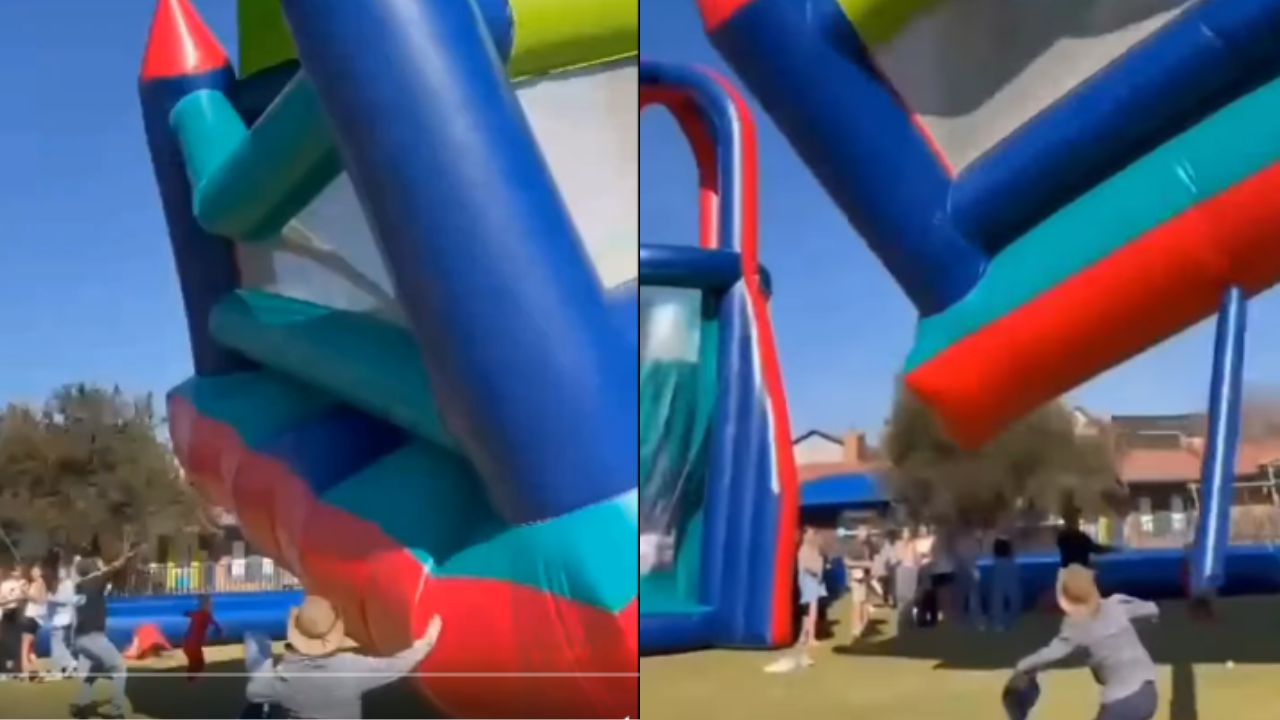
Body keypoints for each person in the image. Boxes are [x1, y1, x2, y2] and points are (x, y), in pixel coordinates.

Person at [244, 595, 444, 719]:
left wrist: (259, 652)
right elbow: (396, 666)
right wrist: (426, 642)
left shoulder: (286, 676)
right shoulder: (350, 667)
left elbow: (254, 691)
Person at [1013, 564, 1160, 720]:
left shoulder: (1077, 626)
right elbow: (1151, 609)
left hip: (1121, 700)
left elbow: (1051, 654)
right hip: (1149, 693)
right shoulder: (1117, 603)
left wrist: (1022, 666)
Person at [70, 548, 138, 720]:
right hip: (93, 637)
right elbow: (114, 567)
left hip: (80, 638)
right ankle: (117, 712)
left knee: (97, 668)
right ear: (93, 569)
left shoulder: (80, 586)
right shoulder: (94, 580)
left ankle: (81, 704)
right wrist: (126, 556)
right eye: (99, 564)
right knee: (119, 669)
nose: (102, 566)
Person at [766, 527, 825, 673]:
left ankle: (804, 636)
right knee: (811, 610)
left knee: (808, 611)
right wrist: (816, 571)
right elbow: (805, 567)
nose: (813, 536)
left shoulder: (812, 548)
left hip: (812, 582)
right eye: (811, 533)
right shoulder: (805, 549)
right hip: (810, 582)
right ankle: (809, 636)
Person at [47, 559, 82, 678]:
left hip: (62, 618)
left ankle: (69, 663)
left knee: (57, 644)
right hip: (63, 618)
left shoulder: (64, 584)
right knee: (62, 643)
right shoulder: (63, 584)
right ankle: (66, 668)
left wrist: (49, 599)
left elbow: (65, 600)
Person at [843, 528, 874, 644]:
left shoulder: (866, 546)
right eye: (863, 532)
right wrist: (863, 564)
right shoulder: (854, 545)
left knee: (864, 604)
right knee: (857, 604)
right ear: (858, 533)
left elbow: (869, 561)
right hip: (857, 578)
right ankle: (856, 631)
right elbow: (846, 561)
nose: (865, 535)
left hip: (865, 578)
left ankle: (862, 628)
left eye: (866, 533)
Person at [183, 595, 222, 681]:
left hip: (187, 645)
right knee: (200, 664)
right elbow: (216, 626)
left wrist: (185, 613)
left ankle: (190, 676)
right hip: (194, 647)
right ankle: (191, 678)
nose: (212, 607)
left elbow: (187, 613)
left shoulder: (197, 614)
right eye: (211, 605)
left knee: (194, 662)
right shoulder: (207, 616)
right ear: (207, 607)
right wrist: (220, 632)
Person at [21, 563, 48, 681]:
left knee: (24, 648)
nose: (33, 573)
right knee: (30, 648)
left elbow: (39, 600)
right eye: (32, 571)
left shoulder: (39, 582)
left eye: (35, 571)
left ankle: (26, 673)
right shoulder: (37, 583)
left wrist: (25, 592)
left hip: (32, 618)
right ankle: (37, 672)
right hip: (34, 618)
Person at [989, 533, 1022, 632]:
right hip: (1009, 568)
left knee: (997, 598)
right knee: (1013, 597)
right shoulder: (1011, 561)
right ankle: (1009, 621)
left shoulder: (998, 560)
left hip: (1001, 568)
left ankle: (999, 622)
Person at [0, 564, 25, 680]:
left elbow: (21, 599)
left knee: (13, 643)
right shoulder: (9, 584)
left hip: (13, 613)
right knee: (7, 643)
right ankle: (7, 669)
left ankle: (15, 669)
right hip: (8, 614)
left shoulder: (14, 583)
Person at [893, 527, 921, 630]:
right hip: (902, 571)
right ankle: (902, 621)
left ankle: (912, 621)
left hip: (912, 572)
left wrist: (917, 565)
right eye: (904, 532)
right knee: (902, 598)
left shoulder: (913, 544)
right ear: (901, 534)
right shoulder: (898, 544)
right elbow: (897, 558)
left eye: (908, 532)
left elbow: (917, 560)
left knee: (912, 598)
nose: (906, 534)